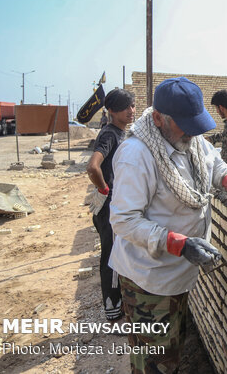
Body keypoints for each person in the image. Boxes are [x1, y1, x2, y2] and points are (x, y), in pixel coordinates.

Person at [108, 77, 227, 373]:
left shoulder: (191, 141)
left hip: (178, 276)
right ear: (158, 118)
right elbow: (124, 221)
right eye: (186, 124)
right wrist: (180, 243)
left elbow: (216, 165)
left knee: (174, 349)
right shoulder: (136, 155)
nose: (193, 133)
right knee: (154, 362)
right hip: (150, 281)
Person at [86, 88, 136, 321]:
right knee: (112, 257)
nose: (131, 110)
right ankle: (113, 312)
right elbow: (93, 167)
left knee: (117, 254)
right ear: (112, 111)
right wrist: (105, 188)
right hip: (109, 208)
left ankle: (119, 304)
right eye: (126, 107)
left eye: (132, 105)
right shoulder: (110, 135)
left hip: (116, 206)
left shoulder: (120, 133)